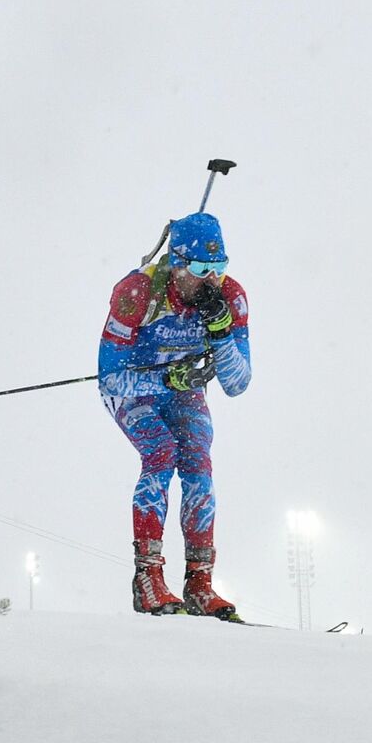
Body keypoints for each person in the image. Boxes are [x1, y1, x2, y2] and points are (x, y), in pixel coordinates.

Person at [96, 210, 253, 619]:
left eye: (219, 268)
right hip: (135, 389)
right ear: (178, 263)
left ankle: (199, 584)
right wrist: (169, 381)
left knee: (199, 462)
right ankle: (148, 577)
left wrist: (220, 335)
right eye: (201, 268)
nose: (211, 280)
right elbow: (110, 379)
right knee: (161, 452)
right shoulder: (138, 292)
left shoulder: (230, 297)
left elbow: (238, 383)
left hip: (183, 392)